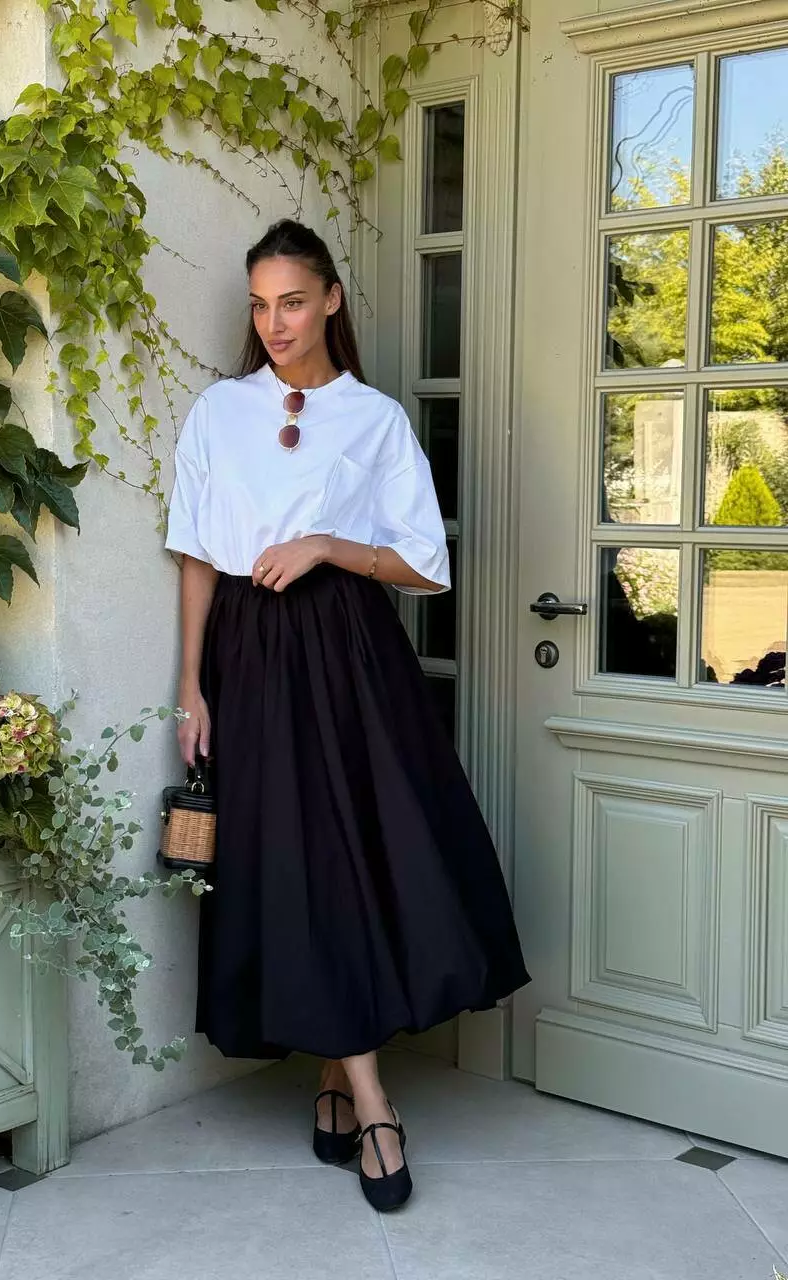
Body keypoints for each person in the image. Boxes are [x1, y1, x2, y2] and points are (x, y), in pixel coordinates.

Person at [164, 218, 530, 1212]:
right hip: (249, 652)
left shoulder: (374, 419)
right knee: (299, 861)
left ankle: (356, 1091)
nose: (274, 322)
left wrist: (328, 544)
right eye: (259, 305)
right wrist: (192, 685)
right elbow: (197, 552)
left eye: (292, 301)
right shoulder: (220, 412)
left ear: (330, 299)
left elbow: (423, 564)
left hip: (350, 652)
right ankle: (361, 1094)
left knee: (356, 856)